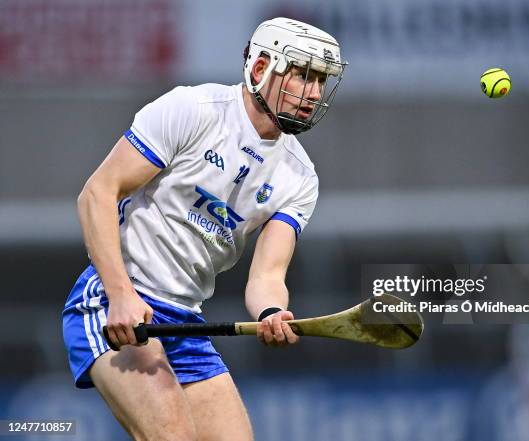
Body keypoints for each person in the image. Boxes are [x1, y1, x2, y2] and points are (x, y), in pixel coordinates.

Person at [62, 17, 347, 441]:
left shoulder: (300, 177)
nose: (314, 92)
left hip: (185, 321)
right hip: (112, 300)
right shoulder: (192, 111)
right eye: (303, 74)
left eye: (322, 80)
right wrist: (121, 294)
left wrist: (271, 312)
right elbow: (97, 193)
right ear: (260, 69)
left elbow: (268, 276)